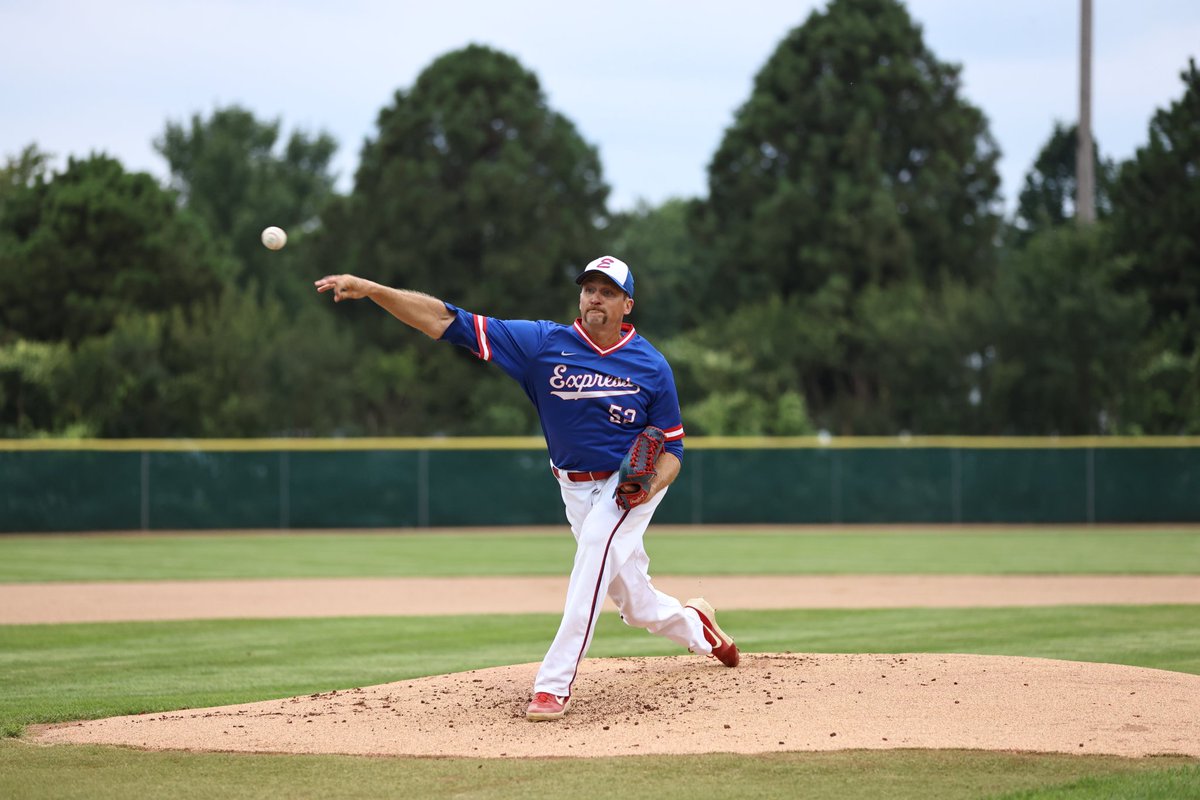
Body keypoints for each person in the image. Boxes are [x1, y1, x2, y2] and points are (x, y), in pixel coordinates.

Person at [315, 255, 739, 721]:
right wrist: (374, 289)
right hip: (574, 489)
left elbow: (673, 451)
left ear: (627, 304)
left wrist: (648, 484)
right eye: (589, 288)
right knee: (635, 605)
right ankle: (698, 626)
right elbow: (445, 320)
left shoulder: (652, 365)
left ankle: (552, 685)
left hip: (627, 488)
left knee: (593, 553)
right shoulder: (542, 344)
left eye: (608, 291)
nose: (595, 296)